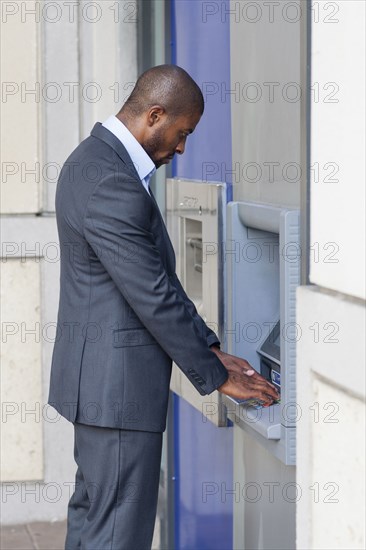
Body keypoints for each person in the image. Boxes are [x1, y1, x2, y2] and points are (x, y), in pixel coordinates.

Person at [48, 64, 279, 550]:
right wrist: (217, 375)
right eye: (182, 133)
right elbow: (152, 291)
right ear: (154, 114)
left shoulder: (94, 161)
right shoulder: (111, 178)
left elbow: (155, 283)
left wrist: (210, 350)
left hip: (103, 389)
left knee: (93, 526)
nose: (181, 148)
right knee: (115, 536)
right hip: (118, 394)